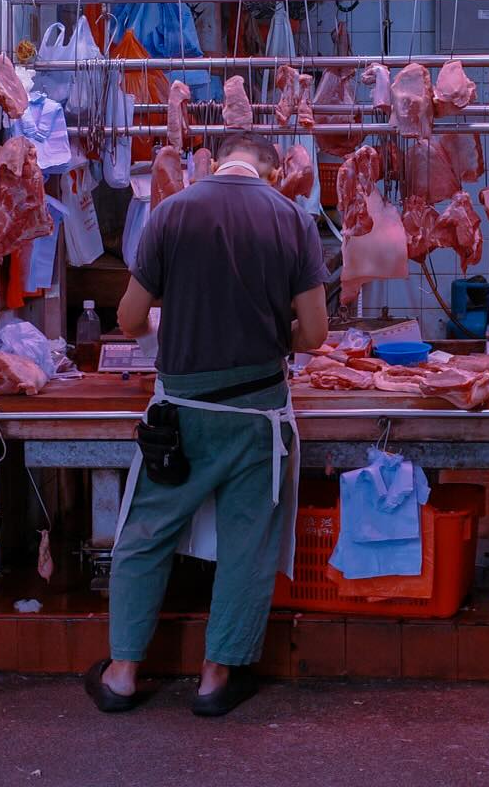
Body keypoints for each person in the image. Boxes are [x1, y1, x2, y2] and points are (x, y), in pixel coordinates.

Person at [84, 132, 330, 718]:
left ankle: (121, 674)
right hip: (256, 415)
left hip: (181, 415)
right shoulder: (292, 220)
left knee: (145, 534)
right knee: (247, 544)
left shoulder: (170, 213)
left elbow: (129, 318)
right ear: (270, 174)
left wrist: (168, 334)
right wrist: (276, 334)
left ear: (215, 163)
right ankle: (216, 678)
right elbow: (316, 336)